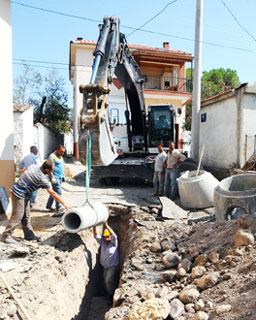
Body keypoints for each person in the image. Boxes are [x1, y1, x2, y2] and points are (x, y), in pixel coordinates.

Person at [1, 160, 71, 244]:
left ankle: (29, 235)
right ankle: (6, 236)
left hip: (25, 194)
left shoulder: (33, 166)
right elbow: (52, 193)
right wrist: (64, 204)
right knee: (18, 215)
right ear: (47, 170)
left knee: (26, 215)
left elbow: (23, 171)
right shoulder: (42, 178)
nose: (51, 172)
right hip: (18, 193)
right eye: (51, 171)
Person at [93, 222, 119, 296]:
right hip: (105, 267)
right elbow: (95, 234)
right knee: (105, 282)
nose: (107, 238)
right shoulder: (102, 242)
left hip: (113, 267)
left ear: (110, 237)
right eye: (105, 237)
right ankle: (107, 294)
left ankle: (111, 296)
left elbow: (114, 235)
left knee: (108, 281)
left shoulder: (113, 243)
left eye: (108, 237)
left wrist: (106, 225)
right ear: (103, 237)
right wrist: (94, 225)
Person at [46, 145, 66, 215]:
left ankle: (49, 205)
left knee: (54, 192)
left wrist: (63, 176)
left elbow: (60, 166)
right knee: (58, 192)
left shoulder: (60, 156)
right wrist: (52, 177)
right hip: (55, 177)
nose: (62, 153)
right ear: (57, 150)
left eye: (63, 152)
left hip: (60, 176)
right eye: (61, 152)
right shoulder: (52, 156)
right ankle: (58, 207)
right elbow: (49, 168)